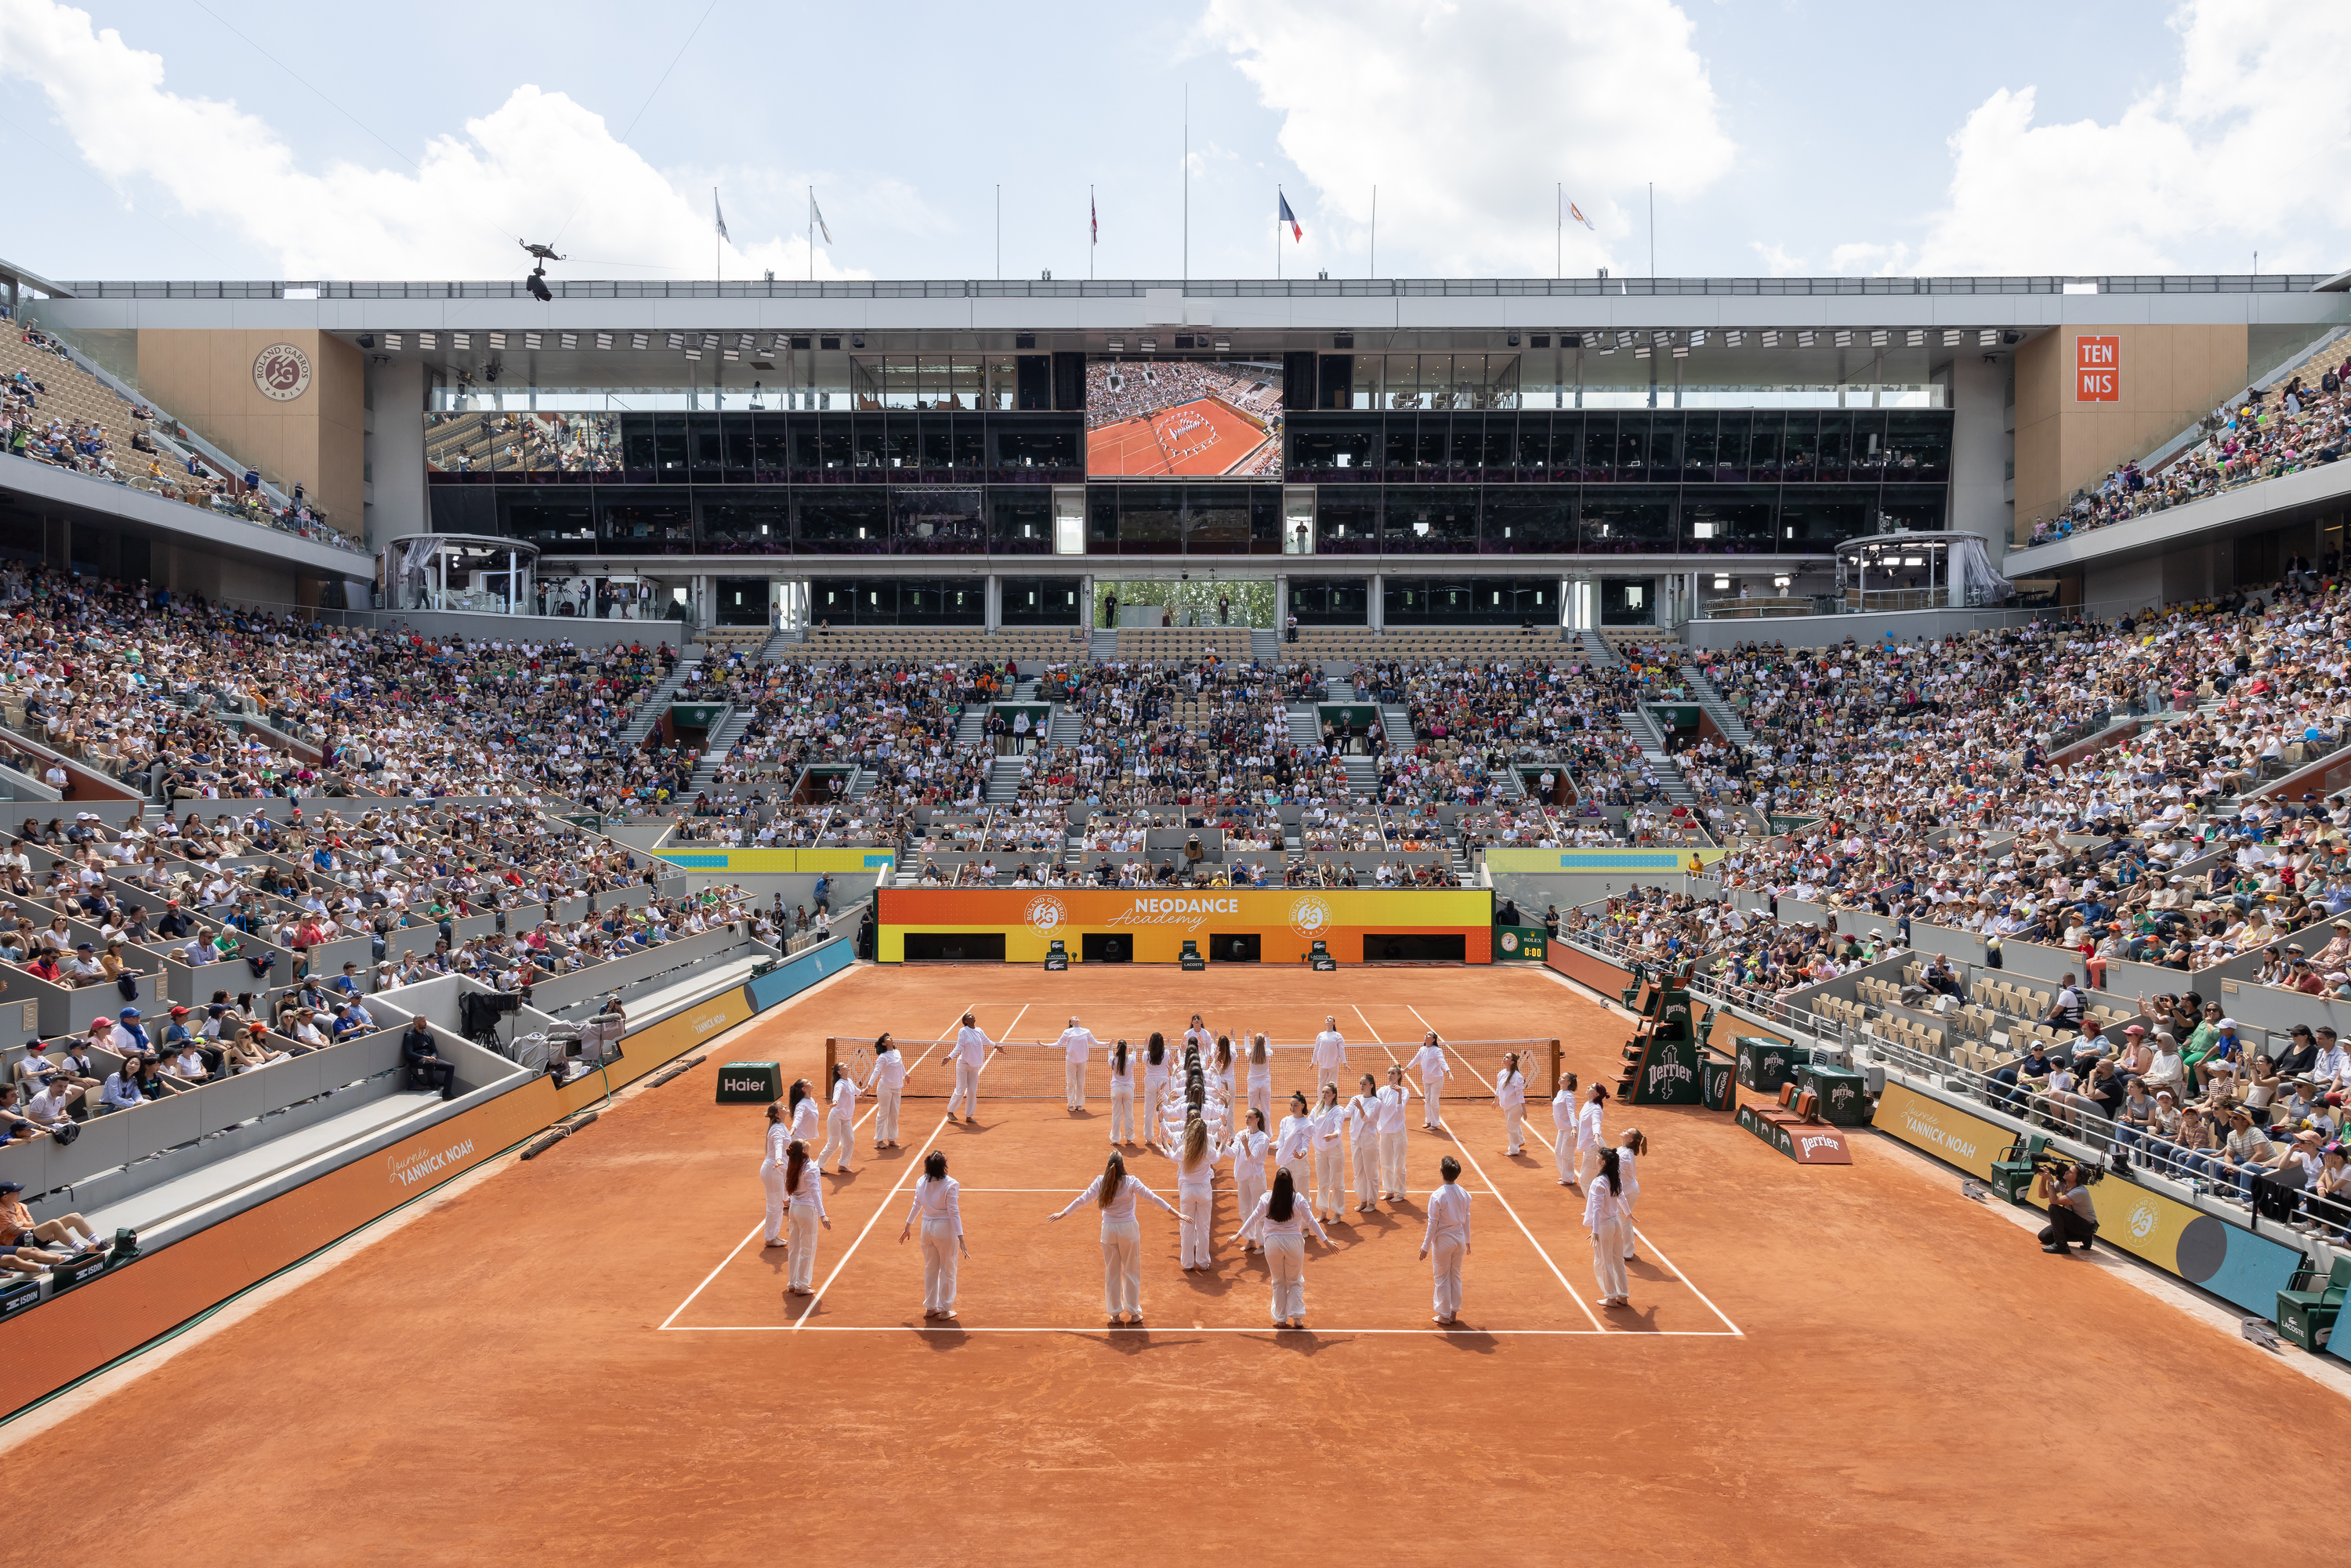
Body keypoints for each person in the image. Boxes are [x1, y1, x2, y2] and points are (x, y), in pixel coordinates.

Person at [1049, 1149, 1176, 1326]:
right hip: (1129, 1230)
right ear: (1123, 1165)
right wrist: (1177, 1214)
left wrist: (1063, 1213)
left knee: (1112, 1271)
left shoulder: (1100, 1182)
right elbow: (1153, 1198)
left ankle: (1115, 1314)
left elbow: (1082, 1199)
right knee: (1131, 1270)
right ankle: (1134, 1314)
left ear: (1108, 1165)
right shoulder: (1131, 1181)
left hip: (1108, 1230)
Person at [1232, 1167, 1331, 1328]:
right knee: (1295, 1280)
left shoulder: (1266, 1198)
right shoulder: (1298, 1199)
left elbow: (1253, 1218)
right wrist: (1326, 1242)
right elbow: (1312, 1221)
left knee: (1278, 1281)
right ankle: (1297, 1317)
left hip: (1273, 1244)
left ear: (1275, 1183)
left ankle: (1280, 1318)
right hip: (1294, 1243)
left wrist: (1237, 1235)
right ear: (1291, 1182)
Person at [898, 1150, 969, 1320]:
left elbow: (917, 1204)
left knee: (931, 1268)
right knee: (948, 1269)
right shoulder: (951, 1184)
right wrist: (961, 1238)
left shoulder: (921, 1181)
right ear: (943, 1166)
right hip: (944, 1229)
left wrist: (908, 1226)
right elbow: (954, 1212)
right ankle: (945, 1310)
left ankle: (931, 1307)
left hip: (926, 1228)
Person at [1419, 1155, 1473, 1326]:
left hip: (1443, 1241)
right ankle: (1453, 1312)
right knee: (1455, 1275)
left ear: (1441, 1172)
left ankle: (1443, 1315)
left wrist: (1425, 1247)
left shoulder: (1437, 1196)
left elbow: (1432, 1224)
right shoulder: (1464, 1193)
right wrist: (1467, 1241)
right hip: (1459, 1240)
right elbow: (1467, 1218)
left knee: (1442, 1277)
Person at [1166, 1117, 1221, 1270]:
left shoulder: (1184, 1149)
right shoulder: (1208, 1150)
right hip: (1204, 1191)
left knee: (1186, 1227)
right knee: (1204, 1228)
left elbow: (1172, 1157)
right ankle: (1203, 1262)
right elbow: (1217, 1158)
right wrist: (1223, 1143)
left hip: (1187, 1192)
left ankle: (1187, 1263)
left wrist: (1164, 1143)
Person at [779, 1139, 830, 1295]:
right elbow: (815, 1192)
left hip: (794, 1209)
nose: (806, 1140)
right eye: (803, 1142)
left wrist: (786, 1198)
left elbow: (787, 1185)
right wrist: (823, 1214)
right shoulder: (811, 1168)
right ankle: (801, 1285)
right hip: (807, 1210)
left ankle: (793, 1282)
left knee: (794, 1247)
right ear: (804, 1151)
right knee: (807, 1247)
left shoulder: (793, 1164)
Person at [1585, 1147, 1631, 1307]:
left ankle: (1611, 1297)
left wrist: (1595, 1230)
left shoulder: (1598, 1182)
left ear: (1603, 1162)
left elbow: (1597, 1208)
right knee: (1618, 1259)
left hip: (1604, 1226)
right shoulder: (1615, 1178)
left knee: (1604, 1261)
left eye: (1598, 1156)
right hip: (1616, 1222)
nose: (1596, 1157)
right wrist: (1628, 1213)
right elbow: (1622, 1197)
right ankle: (1623, 1295)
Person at [1229, 1108, 1271, 1251]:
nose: (1247, 1120)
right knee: (1245, 1210)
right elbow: (1232, 1153)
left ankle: (1263, 1243)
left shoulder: (1263, 1138)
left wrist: (1246, 1144)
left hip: (1256, 1178)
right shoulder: (1241, 1134)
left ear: (1257, 1120)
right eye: (1246, 1116)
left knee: (1260, 1210)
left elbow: (1252, 1158)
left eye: (1250, 1117)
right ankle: (1251, 1240)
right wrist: (1223, 1144)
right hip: (1242, 1178)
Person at [2035, 1159, 2099, 1255]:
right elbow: (2042, 1195)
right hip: (2072, 1222)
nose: (2067, 1172)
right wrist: (2044, 1179)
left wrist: (2050, 1180)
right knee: (2044, 1237)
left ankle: (2061, 1245)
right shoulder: (2062, 1184)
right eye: (2068, 1169)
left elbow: (2054, 1201)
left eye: (2071, 1172)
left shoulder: (2080, 1192)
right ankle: (2082, 1237)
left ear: (2078, 1178)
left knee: (2053, 1208)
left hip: (2085, 1225)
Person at [947, 1011, 998, 1123]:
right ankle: (950, 1111)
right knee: (961, 1089)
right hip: (963, 1065)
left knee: (972, 1090)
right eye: (969, 1016)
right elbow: (959, 1046)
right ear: (966, 1021)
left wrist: (997, 1046)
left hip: (975, 1065)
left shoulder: (979, 1030)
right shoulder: (963, 1031)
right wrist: (950, 1057)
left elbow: (986, 1041)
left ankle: (969, 1116)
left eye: (972, 1015)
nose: (972, 1016)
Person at [1309, 1082, 1348, 1223]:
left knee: (1337, 1182)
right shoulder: (1316, 1109)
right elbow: (1308, 1124)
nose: (1324, 1095)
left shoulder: (1338, 1110)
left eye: (1327, 1093)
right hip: (1319, 1150)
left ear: (1333, 1096)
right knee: (1322, 1182)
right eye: (1323, 1092)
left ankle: (1337, 1214)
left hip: (1334, 1149)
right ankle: (1323, 1212)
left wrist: (1333, 1135)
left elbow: (1339, 1128)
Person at [759, 1100, 794, 1248]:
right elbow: (779, 1144)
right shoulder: (777, 1129)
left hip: (777, 1171)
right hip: (774, 1170)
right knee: (774, 1205)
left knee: (777, 1204)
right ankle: (770, 1238)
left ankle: (773, 1235)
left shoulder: (781, 1126)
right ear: (778, 1115)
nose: (786, 1107)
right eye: (782, 1107)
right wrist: (779, 1159)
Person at [1346, 1072, 1382, 1213]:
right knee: (1358, 1171)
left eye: (1364, 1084)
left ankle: (1372, 1202)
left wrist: (1360, 1107)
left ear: (1371, 1086)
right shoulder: (1355, 1099)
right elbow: (1346, 1113)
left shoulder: (1376, 1102)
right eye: (1360, 1083)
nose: (1361, 1086)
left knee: (1370, 1171)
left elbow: (1366, 1118)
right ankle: (1363, 1200)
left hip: (1369, 1139)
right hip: (1355, 1139)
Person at [863, 1033, 904, 1151]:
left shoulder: (897, 1052)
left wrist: (906, 1075)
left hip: (897, 1088)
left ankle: (892, 1139)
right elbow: (876, 1071)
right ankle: (880, 1140)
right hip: (885, 1088)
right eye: (888, 1038)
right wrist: (868, 1087)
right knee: (883, 1114)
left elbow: (901, 1066)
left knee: (894, 1114)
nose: (891, 1038)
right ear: (884, 1043)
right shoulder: (883, 1057)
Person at [1376, 1065, 1412, 1199]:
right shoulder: (1382, 1091)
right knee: (1386, 1163)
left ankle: (1401, 1192)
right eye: (1388, 1073)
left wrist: (1399, 1095)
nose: (1390, 1075)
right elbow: (1376, 1104)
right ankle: (1389, 1190)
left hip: (1398, 1132)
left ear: (1399, 1076)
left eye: (1392, 1073)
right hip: (1384, 1132)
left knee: (1399, 1164)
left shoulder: (1404, 1091)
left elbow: (1399, 1109)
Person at [401, 1014, 455, 1099]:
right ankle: (433, 1083)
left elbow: (434, 1050)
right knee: (429, 1063)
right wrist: (425, 1057)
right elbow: (409, 1053)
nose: (426, 1023)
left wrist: (434, 1057)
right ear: (416, 1023)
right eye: (423, 1021)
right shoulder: (410, 1036)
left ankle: (447, 1094)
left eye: (425, 1021)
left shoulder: (428, 1035)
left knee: (450, 1067)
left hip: (429, 1058)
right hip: (417, 1059)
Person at [819, 1059, 858, 1173]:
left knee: (850, 1141)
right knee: (833, 1143)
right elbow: (837, 1093)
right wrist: (835, 1101)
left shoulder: (850, 1081)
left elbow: (857, 1091)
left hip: (846, 1118)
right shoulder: (840, 1084)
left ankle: (843, 1164)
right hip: (836, 1117)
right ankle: (818, 1165)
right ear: (839, 1072)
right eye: (843, 1065)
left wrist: (864, 1091)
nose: (846, 1065)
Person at [1275, 1090, 1314, 1200]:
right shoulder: (1285, 1121)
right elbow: (1280, 1142)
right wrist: (1267, 1144)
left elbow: (1305, 1145)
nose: (1293, 1108)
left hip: (1299, 1163)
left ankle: (1304, 1213)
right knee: (1285, 1194)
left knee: (1302, 1195)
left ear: (1303, 1106)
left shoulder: (1307, 1124)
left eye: (1296, 1105)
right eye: (1291, 1105)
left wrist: (1301, 1155)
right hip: (1285, 1162)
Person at [1615, 1128, 1647, 1261]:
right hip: (1627, 1190)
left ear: (1630, 1140)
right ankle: (1623, 1248)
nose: (1625, 1130)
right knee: (1622, 1219)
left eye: (1628, 1131)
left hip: (1626, 1192)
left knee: (1624, 1220)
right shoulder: (1623, 1150)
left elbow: (1618, 1173)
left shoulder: (1625, 1155)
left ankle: (1627, 1252)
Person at [1057, 1015, 1099, 1112]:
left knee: (1080, 1083)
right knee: (1071, 1083)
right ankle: (1070, 1105)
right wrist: (1046, 1045)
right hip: (1071, 1061)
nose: (1076, 1017)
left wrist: (1107, 1044)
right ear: (1071, 1023)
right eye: (1073, 1018)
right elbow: (1058, 1043)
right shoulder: (1067, 1032)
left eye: (1076, 1017)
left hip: (1082, 1061)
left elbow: (1095, 1042)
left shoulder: (1086, 1031)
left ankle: (1079, 1104)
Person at [1412, 1030, 1450, 1130]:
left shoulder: (1437, 1051)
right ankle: (1428, 1121)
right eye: (1426, 1034)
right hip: (1426, 1079)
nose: (1426, 1035)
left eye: (1429, 1035)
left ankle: (1435, 1123)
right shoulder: (1422, 1049)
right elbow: (1415, 1060)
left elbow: (1442, 1061)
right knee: (1428, 1101)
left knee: (1433, 1102)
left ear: (1433, 1040)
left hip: (1437, 1080)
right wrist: (1405, 1070)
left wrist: (1448, 1071)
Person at [1576, 1082, 1608, 1190]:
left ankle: (1593, 1201)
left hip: (1594, 1148)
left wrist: (1596, 1136)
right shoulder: (1587, 1104)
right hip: (1590, 1147)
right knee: (1588, 1180)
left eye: (1592, 1087)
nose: (1588, 1087)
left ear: (1597, 1094)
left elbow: (1596, 1123)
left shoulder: (1596, 1109)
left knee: (1586, 1181)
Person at [1497, 1050, 1528, 1156]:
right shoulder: (1501, 1073)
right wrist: (1496, 1100)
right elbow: (1498, 1088)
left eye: (1507, 1057)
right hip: (1506, 1106)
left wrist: (1524, 1109)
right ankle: (1520, 1141)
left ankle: (1514, 1150)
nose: (1504, 1058)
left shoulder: (1517, 1077)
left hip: (1515, 1106)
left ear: (1512, 1062)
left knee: (1511, 1128)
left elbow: (1520, 1094)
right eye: (1505, 1056)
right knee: (1514, 1125)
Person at [1106, 1038, 1136, 1144]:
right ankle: (1129, 1138)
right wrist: (1135, 1047)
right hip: (1128, 1090)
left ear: (1117, 1048)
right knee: (1129, 1114)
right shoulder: (1131, 1060)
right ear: (1126, 1048)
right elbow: (1134, 1054)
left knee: (1116, 1115)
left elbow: (1110, 1056)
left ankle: (1115, 1140)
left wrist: (1110, 1047)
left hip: (1116, 1090)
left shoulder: (1113, 1060)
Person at [1244, 1033, 1275, 1129]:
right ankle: (1267, 1134)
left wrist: (1246, 1036)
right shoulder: (1268, 1053)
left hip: (1253, 1085)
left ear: (1254, 1042)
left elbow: (1247, 1047)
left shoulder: (1250, 1054)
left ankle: (1251, 1132)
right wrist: (1268, 1037)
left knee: (1252, 1110)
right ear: (1264, 1042)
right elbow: (1269, 1047)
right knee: (1266, 1111)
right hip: (1265, 1084)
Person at [1312, 1015, 1347, 1093]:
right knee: (1321, 1084)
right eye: (1326, 1018)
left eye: (1330, 1018)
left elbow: (1341, 1050)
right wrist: (1313, 1062)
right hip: (1322, 1064)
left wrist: (1344, 1062)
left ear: (1334, 1023)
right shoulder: (1321, 1035)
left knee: (1333, 1085)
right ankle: (1320, 1100)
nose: (1328, 1019)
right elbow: (1316, 1049)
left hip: (1334, 1064)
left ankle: (1333, 1100)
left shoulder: (1338, 1035)